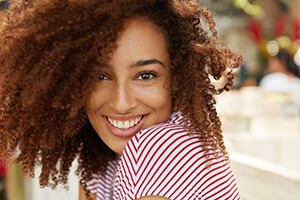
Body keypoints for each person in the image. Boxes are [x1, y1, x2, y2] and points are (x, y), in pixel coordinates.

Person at [0, 0, 242, 199]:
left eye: (145, 75)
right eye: (100, 76)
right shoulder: (99, 158)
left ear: (177, 76)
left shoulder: (162, 147)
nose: (121, 103)